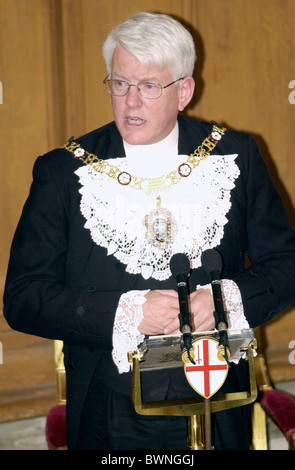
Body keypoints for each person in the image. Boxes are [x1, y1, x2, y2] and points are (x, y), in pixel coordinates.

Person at [3, 11, 295, 450]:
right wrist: (126, 313)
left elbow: (287, 266)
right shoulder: (64, 171)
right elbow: (23, 300)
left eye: (149, 86)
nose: (130, 101)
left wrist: (222, 301)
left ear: (184, 91)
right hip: (109, 406)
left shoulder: (235, 156)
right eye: (119, 84)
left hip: (219, 395)